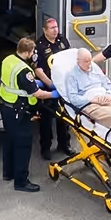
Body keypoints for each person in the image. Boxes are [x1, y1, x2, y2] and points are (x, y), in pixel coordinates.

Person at [0, 37, 59, 193]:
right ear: (27, 52)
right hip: (19, 111)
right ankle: (21, 181)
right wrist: (53, 94)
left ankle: (8, 173)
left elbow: (14, 84)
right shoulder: (24, 71)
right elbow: (37, 93)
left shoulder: (8, 59)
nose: (34, 54)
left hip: (6, 107)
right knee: (23, 146)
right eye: (32, 52)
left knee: (9, 141)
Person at [33, 18, 76, 159]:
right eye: (52, 28)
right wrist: (50, 84)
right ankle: (46, 148)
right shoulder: (39, 46)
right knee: (46, 121)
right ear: (45, 30)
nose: (55, 30)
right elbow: (37, 69)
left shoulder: (62, 41)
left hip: (63, 86)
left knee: (64, 118)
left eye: (56, 27)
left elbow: (70, 60)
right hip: (49, 87)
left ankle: (64, 145)